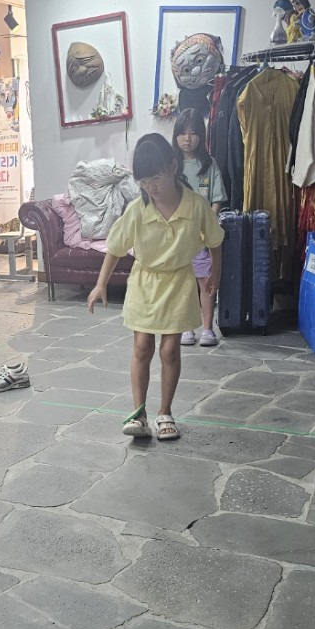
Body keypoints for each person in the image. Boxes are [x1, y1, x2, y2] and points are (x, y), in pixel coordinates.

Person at [87, 133, 224, 441]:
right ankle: (139, 414)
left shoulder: (196, 206)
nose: (151, 187)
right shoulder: (137, 210)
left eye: (156, 178)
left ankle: (165, 412)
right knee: (142, 346)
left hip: (178, 282)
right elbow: (115, 248)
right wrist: (100, 285)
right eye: (144, 181)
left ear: (173, 167)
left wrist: (215, 275)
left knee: (170, 349)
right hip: (145, 282)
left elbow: (215, 241)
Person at [172, 108, 227, 348]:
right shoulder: (171, 166)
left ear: (201, 136)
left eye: (193, 133)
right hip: (178, 237)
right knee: (184, 284)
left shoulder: (209, 164)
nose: (188, 138)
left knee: (205, 282)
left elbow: (216, 200)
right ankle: (187, 328)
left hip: (203, 237)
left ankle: (207, 328)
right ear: (175, 135)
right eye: (183, 133)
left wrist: (206, 226)